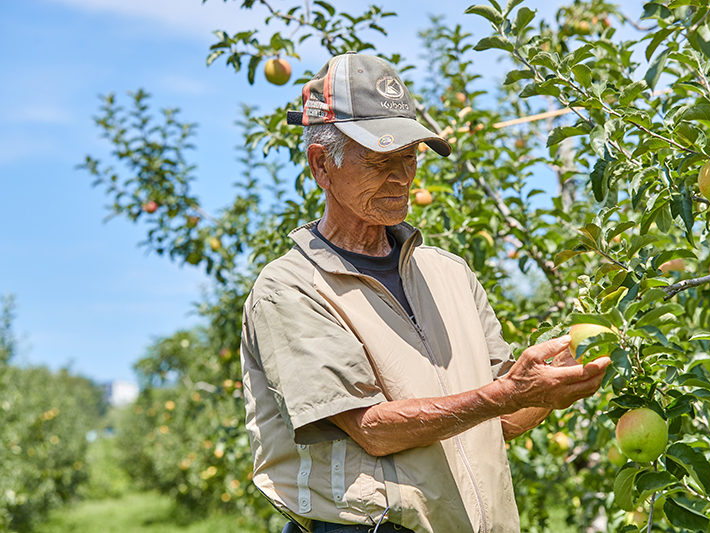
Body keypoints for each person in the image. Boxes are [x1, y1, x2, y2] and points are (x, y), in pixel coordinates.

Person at [239, 52, 611, 533]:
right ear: (321, 166)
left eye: (409, 157)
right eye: (378, 161)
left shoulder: (449, 274)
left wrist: (550, 387)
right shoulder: (292, 288)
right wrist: (505, 394)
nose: (402, 177)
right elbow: (370, 428)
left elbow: (503, 419)